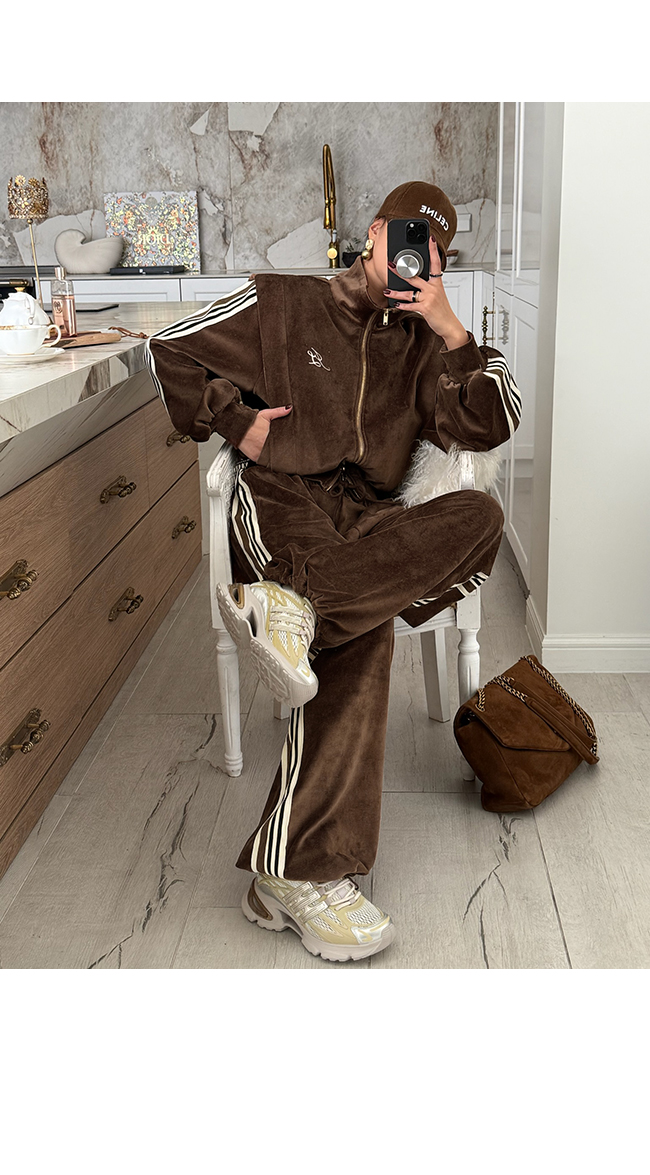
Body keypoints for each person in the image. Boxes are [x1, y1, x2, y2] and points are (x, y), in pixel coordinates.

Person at [145, 180, 521, 964]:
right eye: (410, 236)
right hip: (283, 503)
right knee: (365, 629)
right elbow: (168, 346)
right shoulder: (283, 303)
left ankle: (294, 613)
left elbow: (494, 421)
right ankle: (304, 874)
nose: (419, 257)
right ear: (375, 233)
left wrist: (452, 330)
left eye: (437, 253)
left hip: (369, 526)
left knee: (481, 517)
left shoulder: (428, 346)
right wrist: (235, 420)